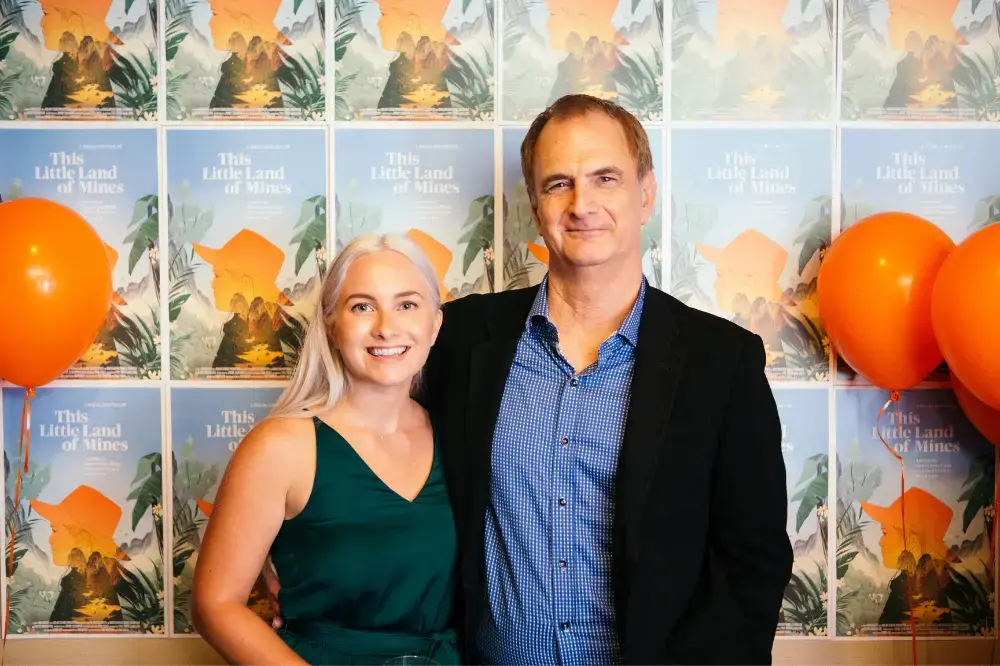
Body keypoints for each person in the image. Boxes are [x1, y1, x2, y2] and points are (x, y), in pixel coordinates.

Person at [268, 94, 794, 664]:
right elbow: (364, 448)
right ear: (535, 206)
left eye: (605, 178)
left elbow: (752, 567)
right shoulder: (460, 339)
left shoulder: (722, 362)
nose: (582, 203)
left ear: (646, 194)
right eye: (558, 183)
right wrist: (294, 556)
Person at [192, 234, 460, 665]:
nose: (386, 327)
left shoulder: (461, 436)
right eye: (362, 306)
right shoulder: (281, 447)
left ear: (436, 323)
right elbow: (215, 605)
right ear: (332, 326)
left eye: (407, 304)